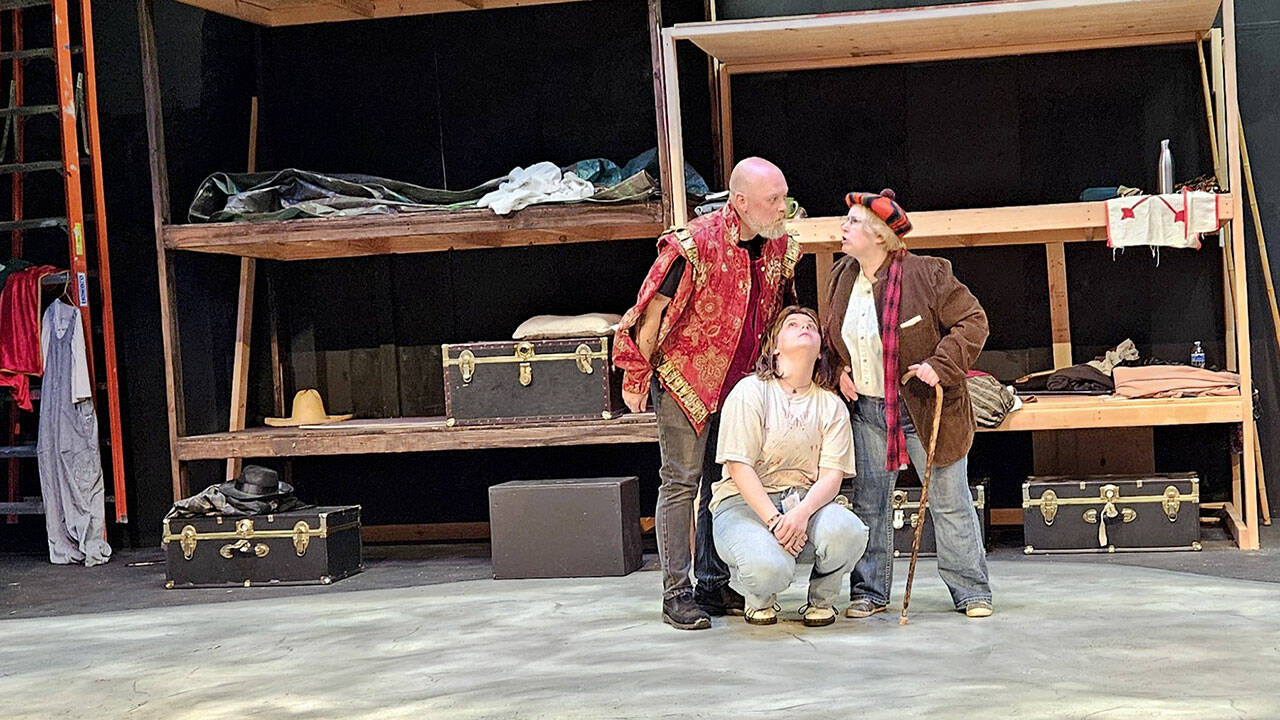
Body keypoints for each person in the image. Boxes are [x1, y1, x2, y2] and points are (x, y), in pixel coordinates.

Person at [614, 157, 801, 630]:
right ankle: (676, 592)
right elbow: (650, 311)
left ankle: (713, 585)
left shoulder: (780, 245)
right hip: (687, 379)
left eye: (783, 197)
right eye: (772, 200)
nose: (782, 208)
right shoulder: (695, 243)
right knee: (681, 481)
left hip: (741, 387)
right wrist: (636, 371)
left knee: (724, 486)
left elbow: (782, 310)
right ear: (739, 202)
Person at [819, 189, 993, 619]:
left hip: (925, 408)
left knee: (949, 501)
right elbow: (834, 339)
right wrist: (838, 370)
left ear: (879, 235)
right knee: (870, 503)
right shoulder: (842, 276)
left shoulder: (927, 274)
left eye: (854, 222)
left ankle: (971, 590)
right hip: (870, 412)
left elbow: (973, 321)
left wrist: (941, 363)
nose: (844, 227)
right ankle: (870, 592)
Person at [711, 306, 868, 627]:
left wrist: (799, 514)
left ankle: (823, 600)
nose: (803, 327)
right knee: (768, 569)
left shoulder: (830, 404)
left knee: (848, 531)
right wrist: (774, 521)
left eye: (810, 325)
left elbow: (832, 476)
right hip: (745, 505)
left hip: (805, 503)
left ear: (820, 348)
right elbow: (739, 467)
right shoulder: (750, 393)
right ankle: (759, 599)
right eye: (792, 324)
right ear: (774, 345)